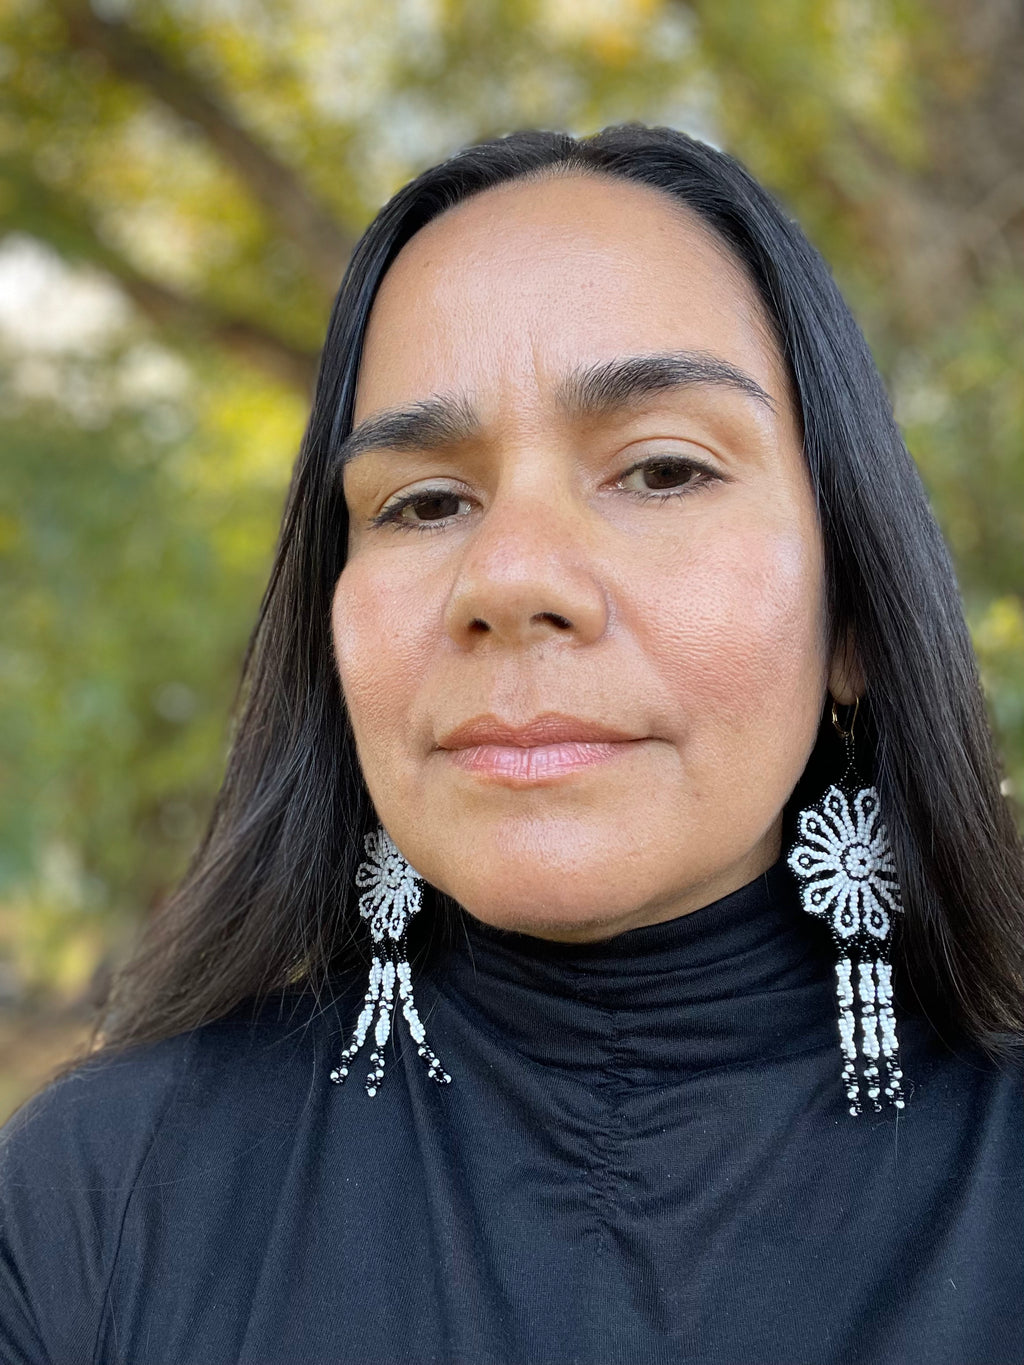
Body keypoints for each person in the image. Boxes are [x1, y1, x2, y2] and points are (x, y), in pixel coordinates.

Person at [2, 124, 1022, 1365]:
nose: (512, 578)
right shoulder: (97, 1210)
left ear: (852, 608)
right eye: (424, 501)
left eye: (661, 471)